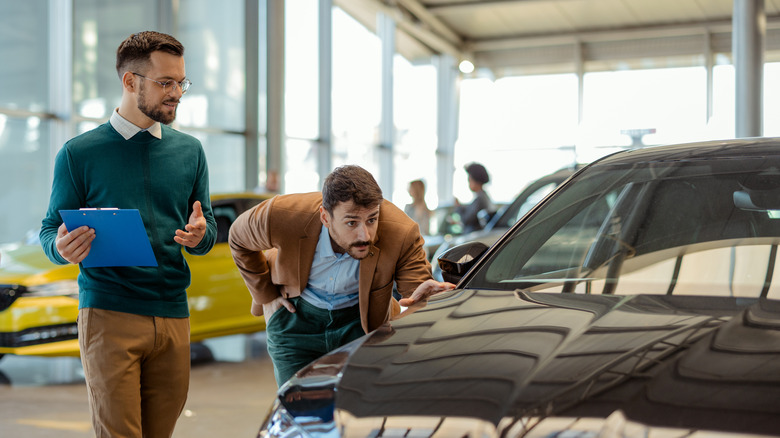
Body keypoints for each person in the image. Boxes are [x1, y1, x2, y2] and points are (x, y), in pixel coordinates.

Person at [39, 31, 217, 437]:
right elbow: (50, 231)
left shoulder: (190, 152)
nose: (177, 93)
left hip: (173, 314)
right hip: (109, 313)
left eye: (181, 82)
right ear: (130, 81)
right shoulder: (79, 153)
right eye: (165, 83)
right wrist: (61, 248)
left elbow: (205, 226)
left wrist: (200, 235)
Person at [229, 165, 455, 386]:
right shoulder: (284, 214)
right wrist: (266, 294)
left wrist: (427, 299)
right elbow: (238, 237)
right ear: (325, 218)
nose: (364, 235)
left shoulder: (401, 232)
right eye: (351, 223)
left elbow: (416, 287)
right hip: (295, 320)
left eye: (371, 220)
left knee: (360, 404)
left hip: (360, 322)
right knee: (297, 406)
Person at [456, 162, 494, 233]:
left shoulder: (480, 199)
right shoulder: (484, 196)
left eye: (469, 180)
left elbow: (466, 220)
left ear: (476, 180)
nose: (468, 183)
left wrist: (458, 207)